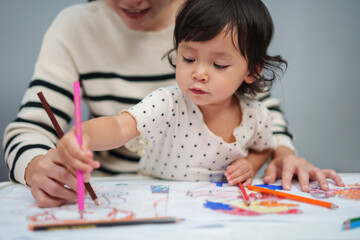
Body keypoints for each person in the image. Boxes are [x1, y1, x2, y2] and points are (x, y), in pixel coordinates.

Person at [3, 0, 343, 208]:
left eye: (219, 65)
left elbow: (267, 142)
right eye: (187, 58)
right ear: (177, 49)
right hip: (142, 199)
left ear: (251, 72)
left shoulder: (253, 111)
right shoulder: (167, 101)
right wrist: (82, 136)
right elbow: (122, 125)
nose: (199, 74)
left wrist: (262, 161)